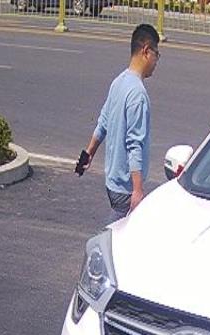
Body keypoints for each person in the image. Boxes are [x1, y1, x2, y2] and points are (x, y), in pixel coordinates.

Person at [75, 24, 160, 222]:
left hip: (112, 181)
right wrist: (137, 190)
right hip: (125, 187)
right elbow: (134, 144)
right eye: (157, 54)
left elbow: (103, 122)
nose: (157, 61)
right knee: (120, 232)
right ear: (146, 51)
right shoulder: (138, 94)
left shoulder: (119, 81)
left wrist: (88, 154)